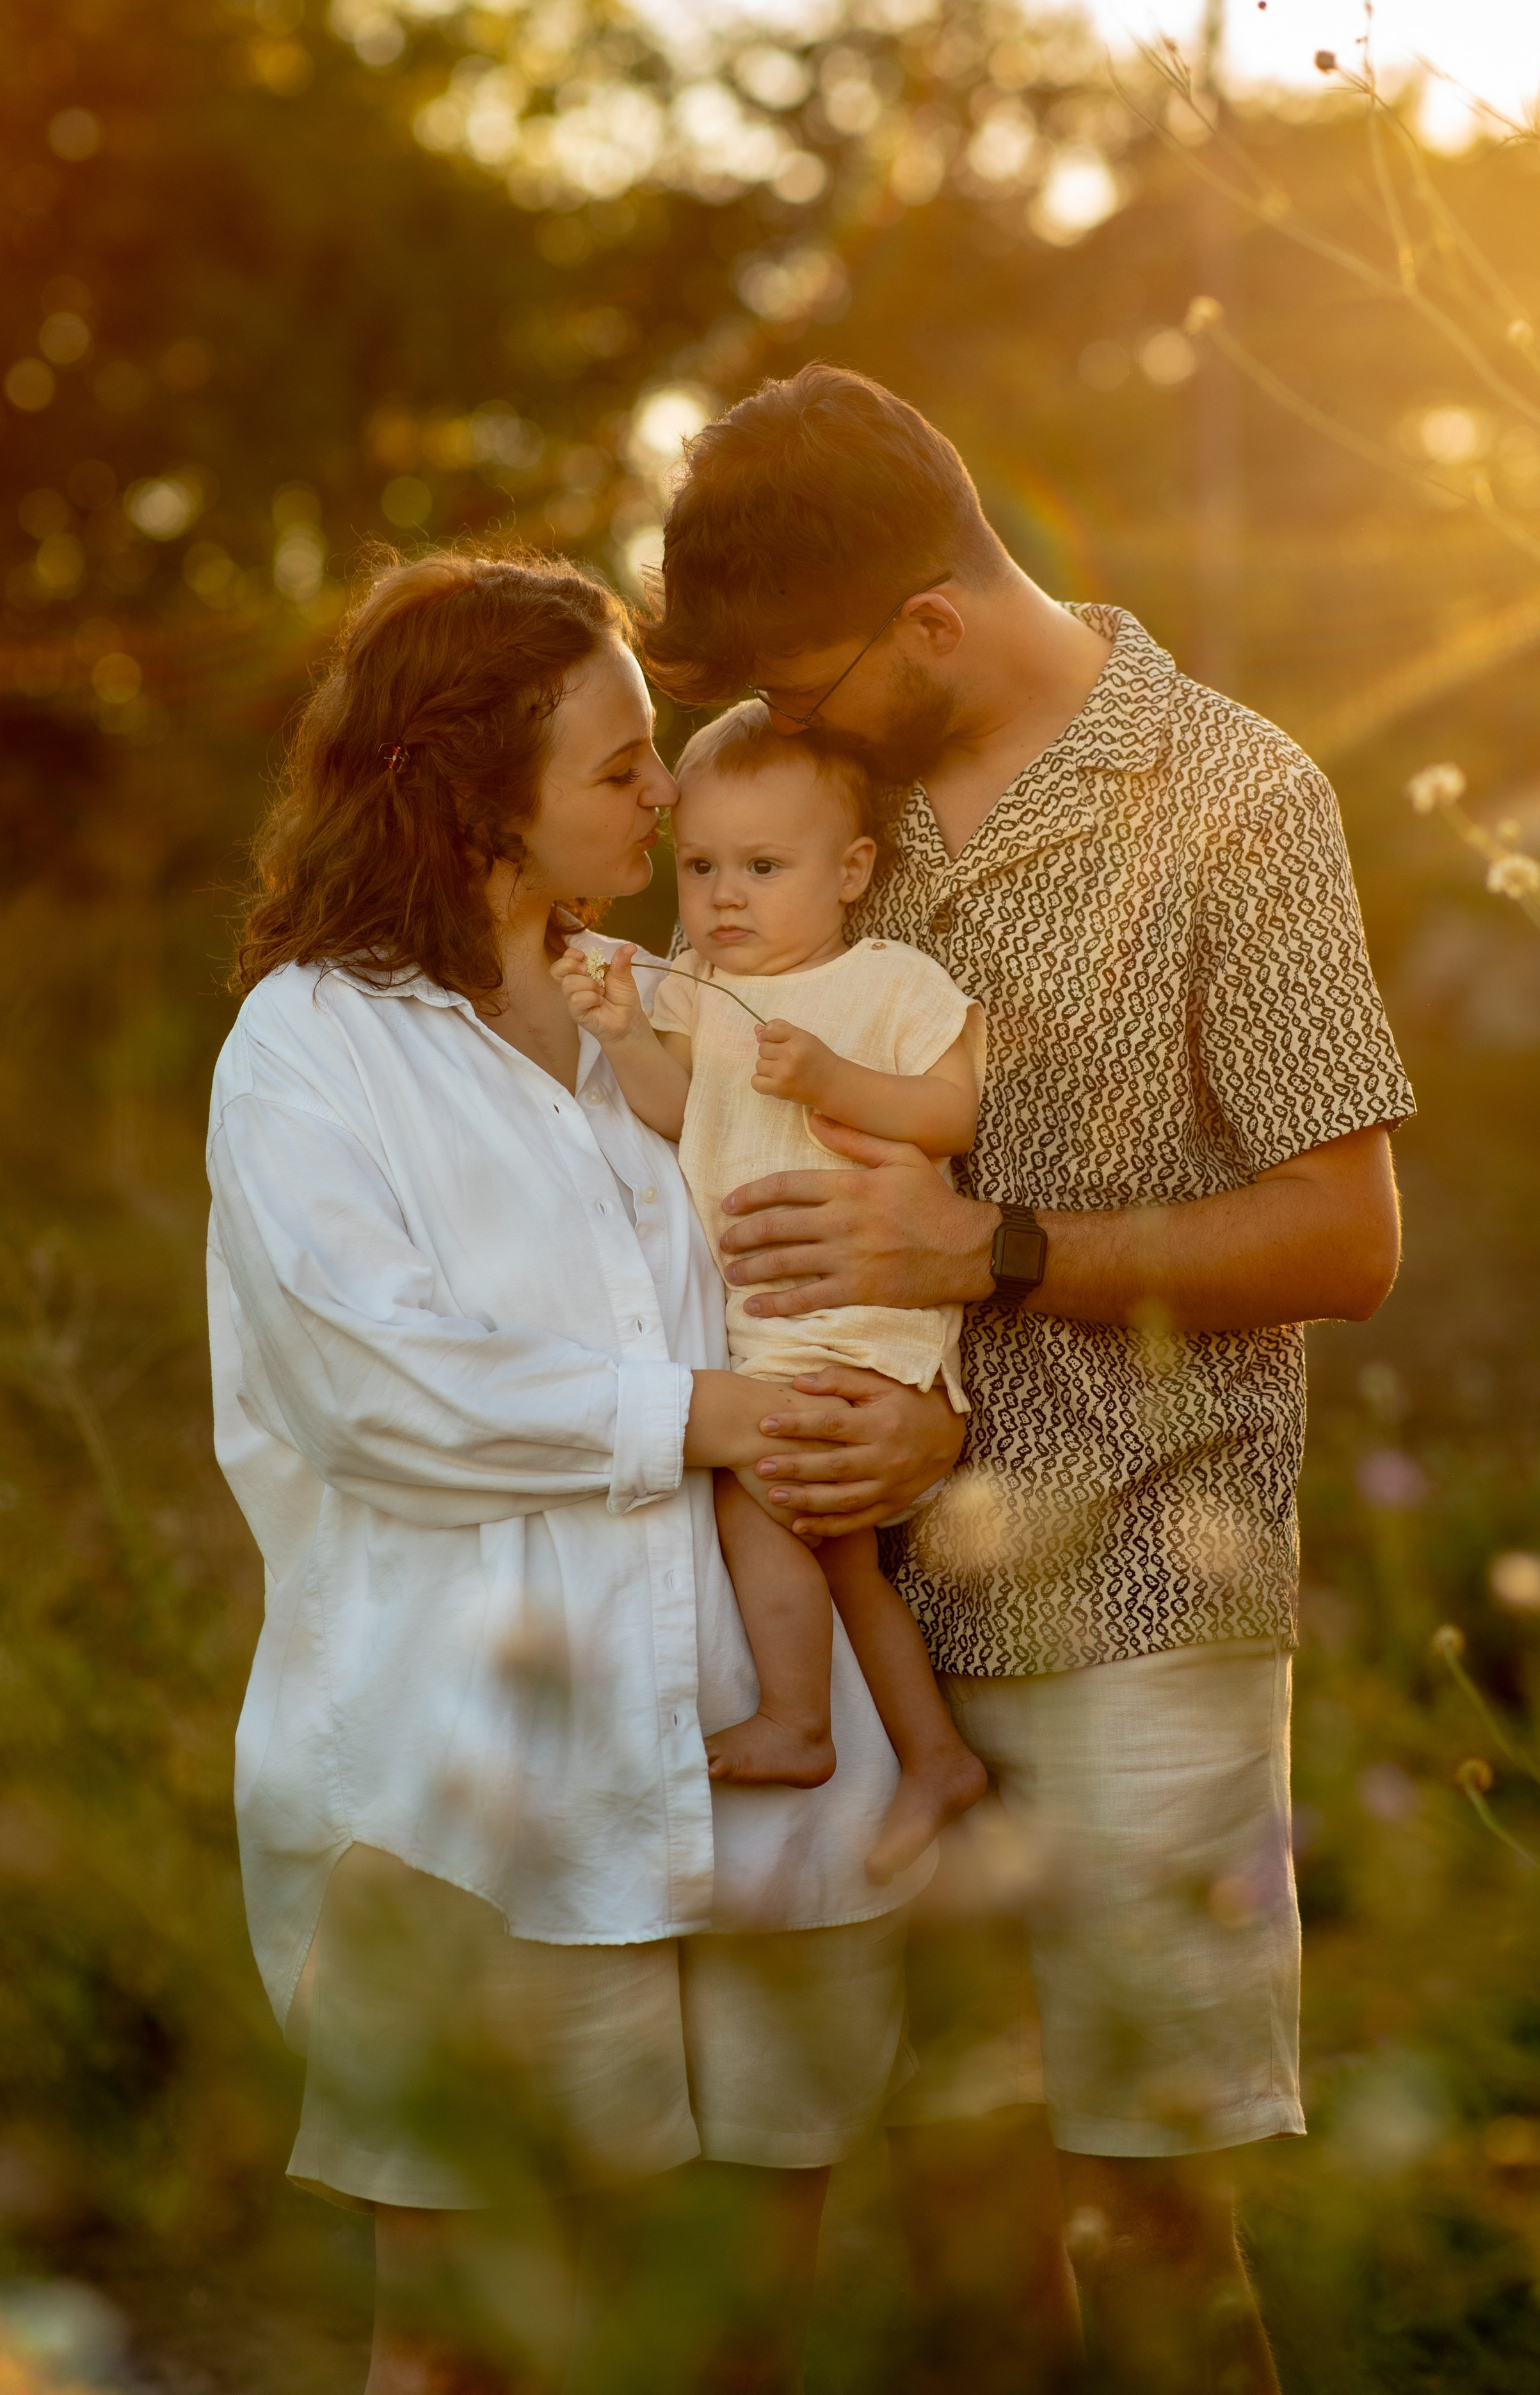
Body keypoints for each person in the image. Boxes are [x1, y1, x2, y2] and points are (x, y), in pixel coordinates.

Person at [641, 366, 1414, 2392]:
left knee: (1156, 2220)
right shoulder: (834, 807)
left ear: (929, 625)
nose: (783, 734)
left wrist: (992, 1255)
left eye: (809, 685)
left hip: (1146, 1600)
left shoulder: (1237, 797)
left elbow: (1348, 1232)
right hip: (861, 1601)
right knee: (964, 2219)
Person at [206, 546, 963, 2394]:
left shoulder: (681, 1003)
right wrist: (698, 1416)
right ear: (479, 789)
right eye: (623, 765)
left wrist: (922, 1427)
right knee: (468, 2349)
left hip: (768, 1771)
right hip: (483, 1795)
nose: (666, 795)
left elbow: (858, 1282)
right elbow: (370, 1379)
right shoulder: (315, 1047)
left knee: (745, 2335)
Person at [556, 700, 988, 1882]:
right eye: (700, 868)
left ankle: (803, 1725)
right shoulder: (697, 986)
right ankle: (932, 1753)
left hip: (862, 1308)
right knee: (835, 1547)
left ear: (852, 872)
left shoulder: (887, 981)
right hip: (776, 1323)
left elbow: (949, 1111)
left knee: (763, 1501)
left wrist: (840, 1076)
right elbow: (673, 1108)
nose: (725, 898)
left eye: (762, 866)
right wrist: (627, 1030)